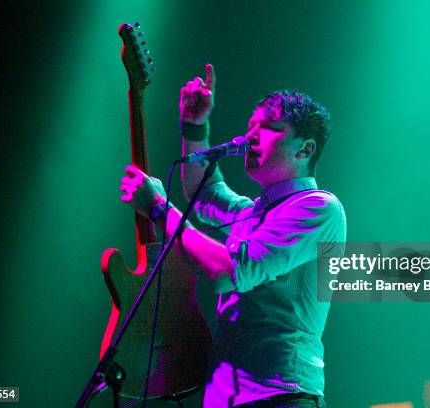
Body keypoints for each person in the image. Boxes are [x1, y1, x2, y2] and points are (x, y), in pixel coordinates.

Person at [120, 64, 346, 407]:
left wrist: (159, 209)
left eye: (269, 127)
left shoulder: (317, 207)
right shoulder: (253, 212)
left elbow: (229, 273)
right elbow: (207, 194)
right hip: (226, 398)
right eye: (250, 126)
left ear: (305, 150)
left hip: (281, 396)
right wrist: (195, 126)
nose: (250, 136)